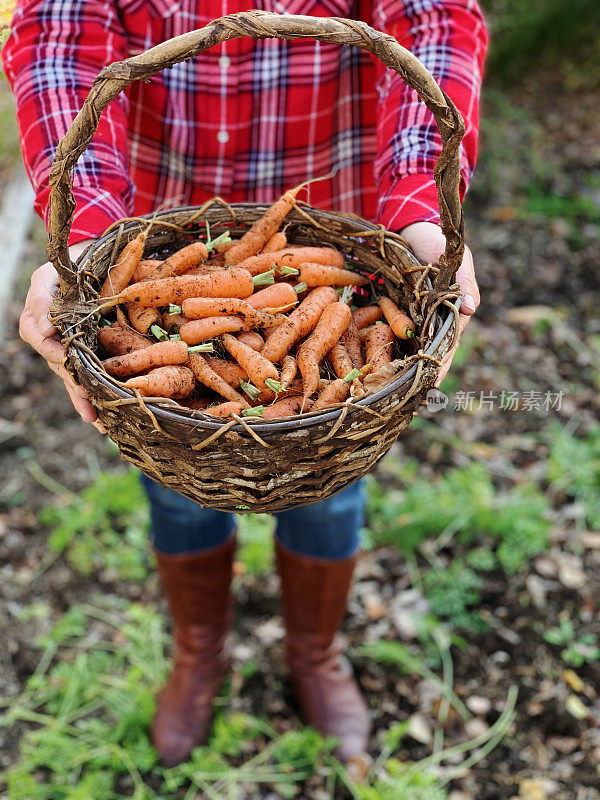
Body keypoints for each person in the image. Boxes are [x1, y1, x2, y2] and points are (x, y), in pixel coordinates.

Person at [3, 0, 487, 768]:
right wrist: (87, 225)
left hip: (344, 237)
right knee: (174, 460)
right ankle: (201, 653)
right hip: (156, 233)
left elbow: (434, 19)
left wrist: (422, 210)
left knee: (334, 461)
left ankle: (314, 651)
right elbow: (60, 37)